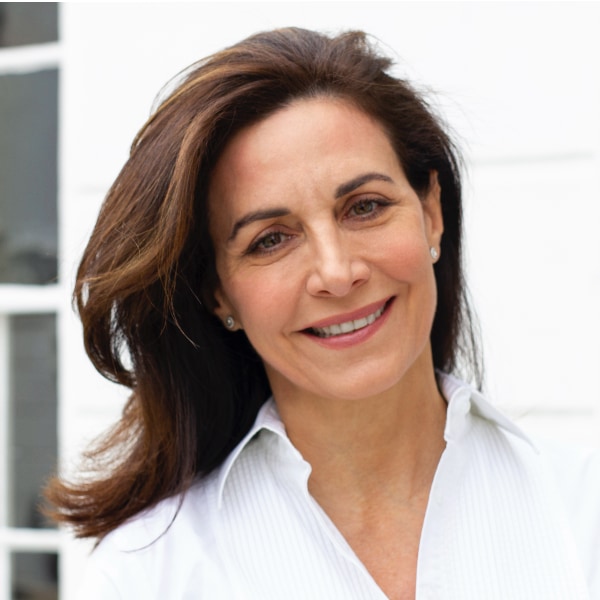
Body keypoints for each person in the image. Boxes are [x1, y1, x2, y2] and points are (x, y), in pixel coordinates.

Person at [45, 28, 599, 599]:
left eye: (365, 207)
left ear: (431, 212)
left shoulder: (583, 516)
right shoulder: (150, 574)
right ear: (219, 294)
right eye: (270, 240)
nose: (337, 272)